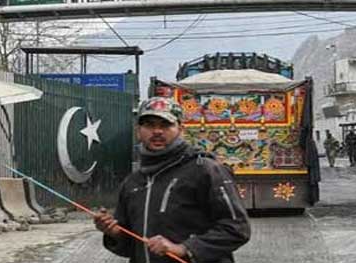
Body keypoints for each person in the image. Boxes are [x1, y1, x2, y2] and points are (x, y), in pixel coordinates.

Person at [94, 97, 251, 263]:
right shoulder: (132, 182)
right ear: (138, 130)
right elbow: (131, 247)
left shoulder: (205, 170)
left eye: (165, 125)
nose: (157, 131)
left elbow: (237, 228)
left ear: (180, 129)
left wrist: (184, 249)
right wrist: (114, 233)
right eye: (149, 125)